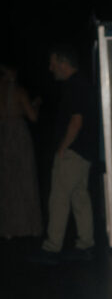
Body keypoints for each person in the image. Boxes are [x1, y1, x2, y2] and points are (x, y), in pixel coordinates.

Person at [30, 45, 98, 264]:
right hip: (84, 151)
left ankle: (52, 248)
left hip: (73, 151)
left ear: (63, 62)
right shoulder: (82, 84)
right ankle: (85, 244)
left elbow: (76, 121)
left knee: (59, 198)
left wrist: (62, 148)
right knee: (80, 197)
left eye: (53, 63)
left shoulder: (74, 86)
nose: (50, 68)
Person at [0, 61, 42, 238]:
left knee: (7, 182)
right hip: (18, 135)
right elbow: (32, 117)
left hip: (3, 135)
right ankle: (29, 228)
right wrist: (36, 104)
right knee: (25, 178)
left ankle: (8, 229)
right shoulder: (19, 91)